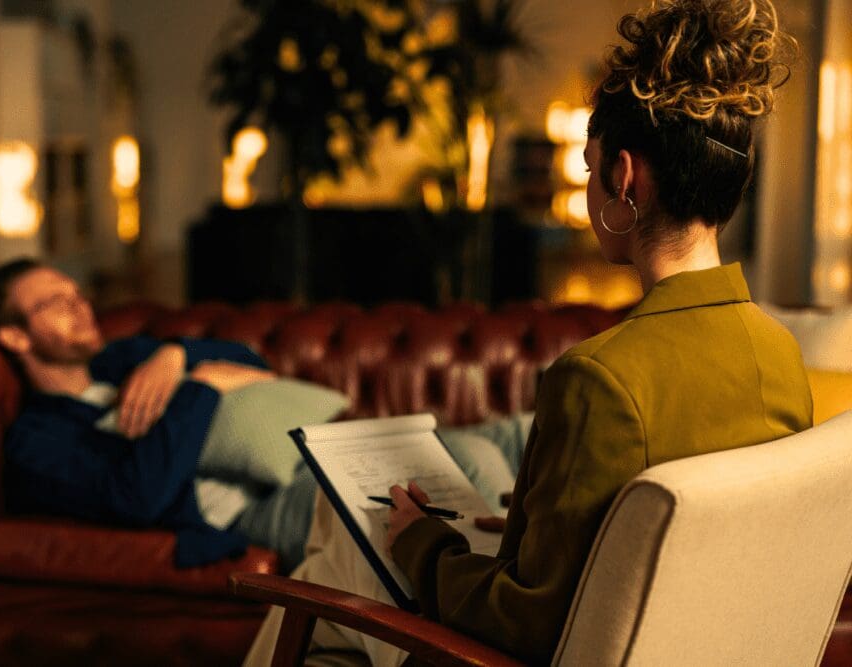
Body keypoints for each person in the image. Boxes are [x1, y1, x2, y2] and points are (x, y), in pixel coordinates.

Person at [243, 0, 811, 664]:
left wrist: (422, 540)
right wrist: (529, 527)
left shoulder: (600, 380)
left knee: (338, 556)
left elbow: (525, 622)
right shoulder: (781, 356)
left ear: (623, 178)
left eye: (587, 168)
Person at [0, 257, 525, 572]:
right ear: (13, 336)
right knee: (471, 457)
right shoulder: (37, 439)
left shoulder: (125, 359)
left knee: (522, 432)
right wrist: (197, 388)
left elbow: (248, 361)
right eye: (53, 304)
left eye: (74, 292)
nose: (78, 306)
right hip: (248, 509)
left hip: (304, 457)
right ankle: (509, 614)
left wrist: (172, 357)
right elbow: (137, 497)